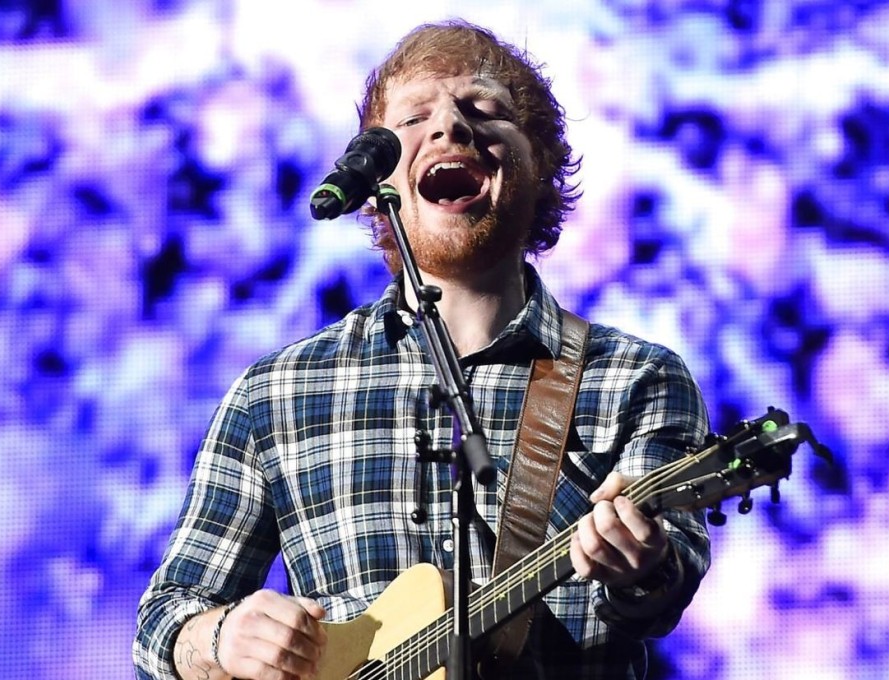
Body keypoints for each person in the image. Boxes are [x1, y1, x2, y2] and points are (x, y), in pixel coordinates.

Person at [134, 20, 710, 680]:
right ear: (380, 182)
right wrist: (220, 637)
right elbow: (165, 615)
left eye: (484, 110)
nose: (448, 129)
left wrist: (644, 565)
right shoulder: (276, 392)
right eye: (412, 118)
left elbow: (664, 590)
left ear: (539, 161)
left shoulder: (635, 378)